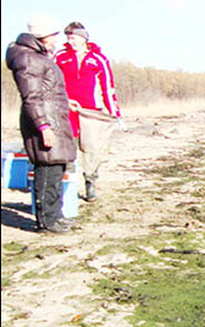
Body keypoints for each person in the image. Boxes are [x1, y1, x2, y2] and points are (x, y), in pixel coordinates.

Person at [5, 14, 78, 233]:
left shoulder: (38, 57)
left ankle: (55, 215)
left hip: (52, 116)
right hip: (44, 121)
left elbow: (46, 90)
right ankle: (46, 222)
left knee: (56, 168)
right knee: (46, 169)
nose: (57, 39)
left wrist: (66, 102)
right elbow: (32, 97)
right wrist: (43, 126)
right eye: (54, 35)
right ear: (43, 36)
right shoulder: (29, 59)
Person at [54, 21, 123, 203]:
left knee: (91, 147)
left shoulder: (98, 59)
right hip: (66, 108)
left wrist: (114, 112)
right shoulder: (60, 57)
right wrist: (63, 101)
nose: (71, 40)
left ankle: (90, 182)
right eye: (68, 37)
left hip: (90, 110)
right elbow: (52, 81)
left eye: (74, 37)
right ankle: (66, 185)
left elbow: (108, 87)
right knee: (67, 147)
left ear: (83, 38)